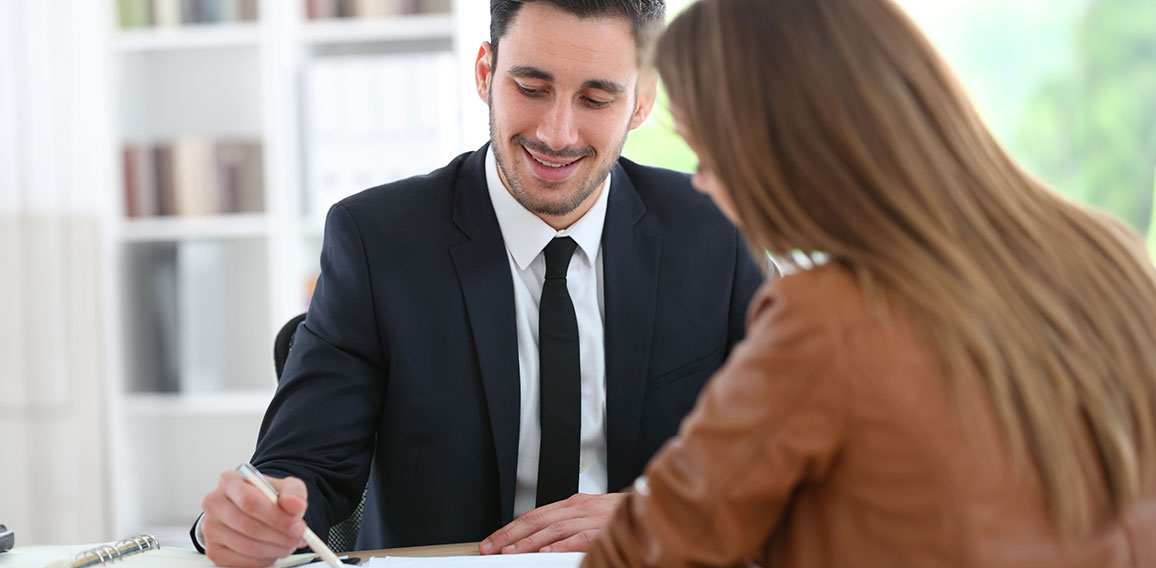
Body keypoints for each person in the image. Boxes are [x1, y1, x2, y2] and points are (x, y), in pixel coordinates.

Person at [583, 0, 1156, 566]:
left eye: (708, 159)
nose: (702, 186)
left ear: (779, 151)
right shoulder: (1113, 259)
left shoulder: (826, 319)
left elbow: (641, 555)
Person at [193, 1, 763, 566]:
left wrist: (658, 511)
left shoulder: (720, 232)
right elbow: (304, 468)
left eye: (595, 98)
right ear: (486, 73)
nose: (556, 133)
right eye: (532, 88)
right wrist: (251, 519)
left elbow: (805, 455)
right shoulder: (377, 241)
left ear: (641, 101)